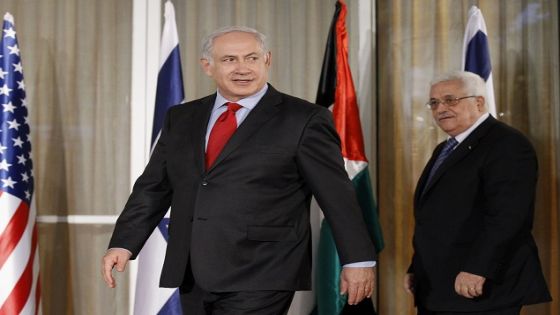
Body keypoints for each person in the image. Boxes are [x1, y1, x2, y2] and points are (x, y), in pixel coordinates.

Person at [102, 26, 376, 314]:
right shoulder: (181, 118)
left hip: (263, 269)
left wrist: (357, 259)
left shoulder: (305, 119)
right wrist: (123, 243)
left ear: (267, 60)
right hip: (192, 270)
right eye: (230, 59)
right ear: (207, 66)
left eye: (252, 58)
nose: (242, 68)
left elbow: (337, 195)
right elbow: (154, 187)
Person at [404, 71, 551, 315]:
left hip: (481, 289)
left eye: (450, 100)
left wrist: (478, 269)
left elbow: (507, 217)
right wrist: (416, 266)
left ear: (479, 102)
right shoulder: (445, 148)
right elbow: (436, 217)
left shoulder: (506, 144)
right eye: (434, 102)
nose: (441, 109)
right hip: (438, 287)